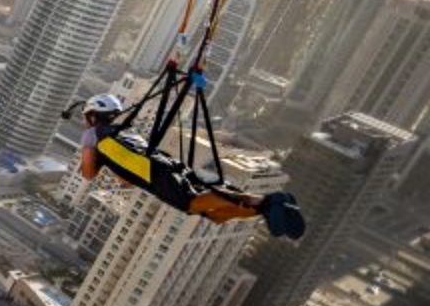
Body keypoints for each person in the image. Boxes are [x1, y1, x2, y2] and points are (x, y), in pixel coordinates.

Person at [76, 94, 305, 239]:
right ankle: (266, 208)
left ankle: (266, 201)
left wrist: (91, 160)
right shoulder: (122, 133)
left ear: (94, 117)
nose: (86, 122)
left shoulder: (92, 135)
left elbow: (87, 173)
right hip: (166, 166)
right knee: (216, 216)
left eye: (87, 117)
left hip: (156, 174)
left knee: (192, 202)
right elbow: (126, 176)